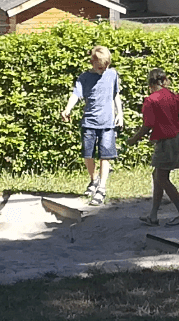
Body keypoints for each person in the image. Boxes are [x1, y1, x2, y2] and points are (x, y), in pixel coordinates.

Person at [125, 68, 179, 227]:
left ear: (150, 84)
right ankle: (153, 215)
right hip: (178, 140)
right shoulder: (174, 96)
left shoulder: (151, 100)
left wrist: (133, 140)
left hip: (166, 143)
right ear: (164, 81)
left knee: (161, 178)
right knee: (157, 175)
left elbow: (147, 125)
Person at [60, 45, 124, 206]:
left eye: (106, 66)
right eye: (100, 67)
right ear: (92, 63)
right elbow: (76, 94)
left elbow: (115, 94)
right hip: (89, 122)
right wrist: (68, 109)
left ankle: (102, 188)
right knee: (87, 154)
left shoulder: (112, 74)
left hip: (107, 123)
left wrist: (120, 114)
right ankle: (94, 179)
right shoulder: (84, 78)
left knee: (105, 155)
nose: (104, 69)